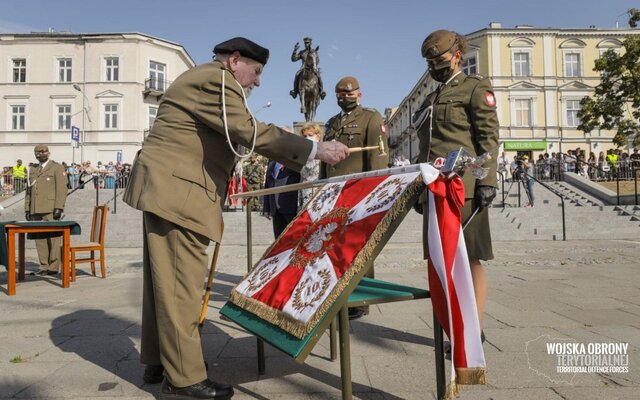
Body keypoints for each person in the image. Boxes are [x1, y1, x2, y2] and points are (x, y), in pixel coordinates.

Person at [122, 37, 349, 400]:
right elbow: (248, 130)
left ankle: (159, 360)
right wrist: (314, 148)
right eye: (256, 72)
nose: (257, 82)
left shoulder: (206, 79)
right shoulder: (218, 79)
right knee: (181, 285)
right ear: (236, 60)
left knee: (163, 282)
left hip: (167, 187)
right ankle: (183, 378)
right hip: (180, 191)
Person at [414, 30, 499, 343]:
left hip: (463, 188)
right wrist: (417, 189)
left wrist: (487, 179)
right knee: (442, 260)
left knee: (470, 257)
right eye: (430, 62)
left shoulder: (475, 88)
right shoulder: (430, 98)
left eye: (440, 60)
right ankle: (454, 323)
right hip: (433, 190)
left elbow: (488, 138)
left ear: (457, 55)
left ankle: (472, 329)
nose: (435, 66)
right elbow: (424, 148)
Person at [320, 75, 389, 319]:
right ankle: (339, 293)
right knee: (336, 244)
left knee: (360, 246)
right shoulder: (330, 123)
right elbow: (325, 158)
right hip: (335, 194)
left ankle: (361, 299)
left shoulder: (371, 118)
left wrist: (374, 194)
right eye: (341, 95)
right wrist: (323, 188)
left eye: (350, 94)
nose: (345, 98)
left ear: (359, 94)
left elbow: (379, 159)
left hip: (360, 193)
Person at [24, 144, 68, 276]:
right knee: (40, 238)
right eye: (37, 152)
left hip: (50, 208)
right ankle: (43, 266)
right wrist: (27, 208)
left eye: (42, 152)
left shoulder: (57, 167)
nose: (39, 154)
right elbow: (29, 191)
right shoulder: (32, 169)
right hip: (35, 208)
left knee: (54, 238)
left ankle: (53, 267)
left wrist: (59, 207)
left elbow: (62, 189)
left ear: (48, 153)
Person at [263, 160, 301, 237]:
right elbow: (267, 185)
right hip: (275, 209)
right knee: (278, 240)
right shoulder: (271, 162)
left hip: (291, 208)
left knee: (293, 239)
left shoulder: (294, 159)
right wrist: (266, 208)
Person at [299, 123, 322, 208]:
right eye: (305, 136)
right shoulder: (303, 155)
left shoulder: (323, 154)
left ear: (318, 136)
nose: (307, 138)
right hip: (303, 193)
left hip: (317, 194)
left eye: (310, 135)